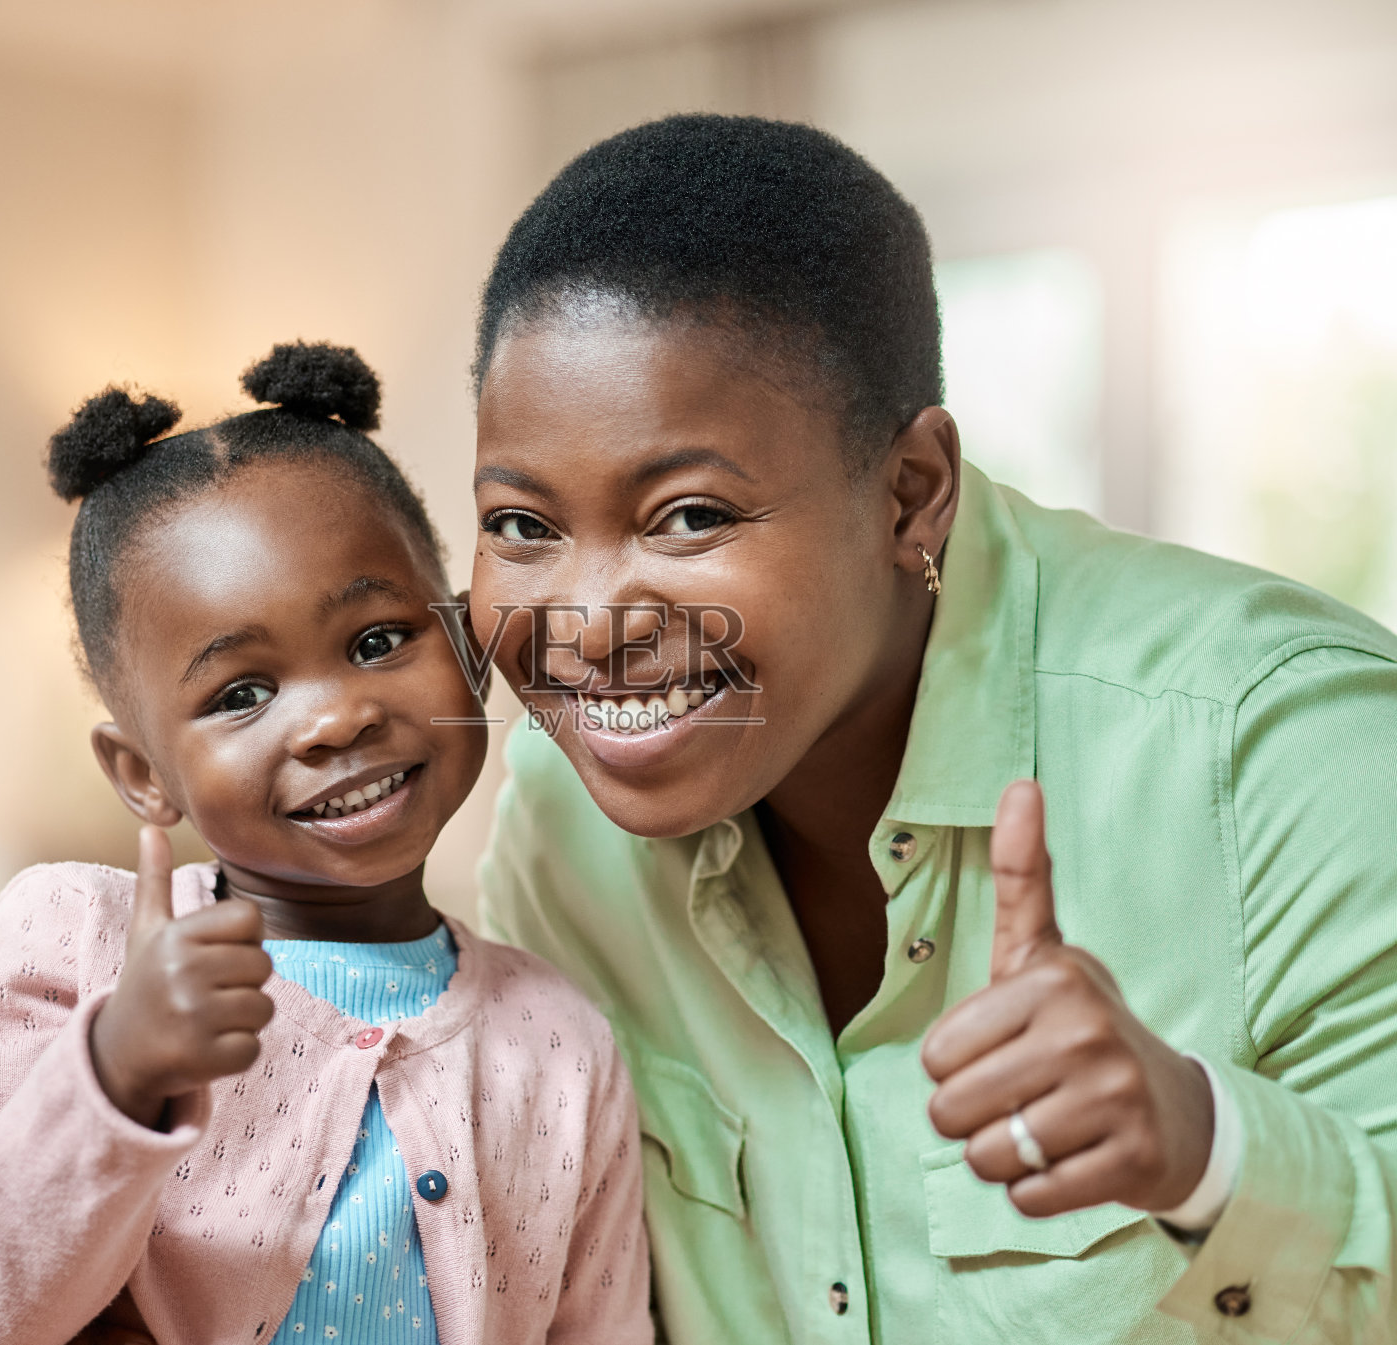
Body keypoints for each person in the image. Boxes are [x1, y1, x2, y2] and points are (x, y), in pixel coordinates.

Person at [469, 114, 1397, 1342]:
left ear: (911, 492)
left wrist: (1204, 1147)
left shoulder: (1286, 748)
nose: (584, 628)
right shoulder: (555, 813)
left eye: (688, 515)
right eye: (523, 527)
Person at [0, 343, 650, 1345]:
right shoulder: (71, 944)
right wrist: (117, 1067)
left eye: (379, 641)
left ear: (470, 649)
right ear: (143, 775)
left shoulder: (559, 1036)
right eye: (240, 694)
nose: (334, 720)